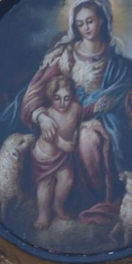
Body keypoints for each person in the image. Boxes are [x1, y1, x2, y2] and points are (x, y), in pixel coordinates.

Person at [0, 0, 132, 226]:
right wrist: (41, 116)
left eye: (90, 21)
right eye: (80, 24)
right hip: (65, 117)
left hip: (102, 117)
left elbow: (125, 88)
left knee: (88, 137)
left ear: (102, 20)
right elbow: (35, 91)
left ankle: (93, 203)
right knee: (79, 140)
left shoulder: (115, 60)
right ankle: (60, 208)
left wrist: (110, 101)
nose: (86, 28)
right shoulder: (65, 56)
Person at [31, 74, 82, 230]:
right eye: (57, 98)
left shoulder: (76, 108)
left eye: (66, 98)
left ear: (72, 96)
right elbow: (50, 137)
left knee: (67, 181)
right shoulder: (48, 114)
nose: (62, 103)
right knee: (45, 185)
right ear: (50, 97)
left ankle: (58, 206)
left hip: (63, 156)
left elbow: (82, 118)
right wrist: (64, 144)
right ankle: (43, 215)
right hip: (45, 156)